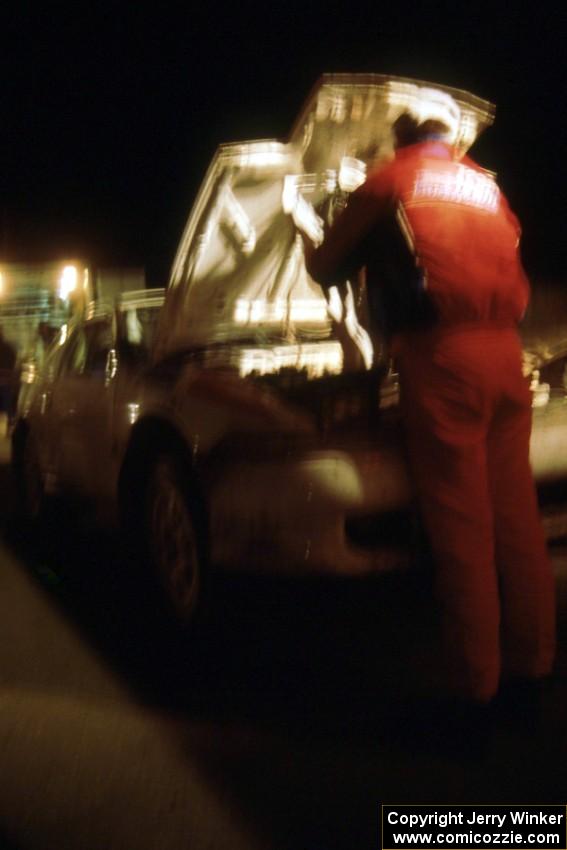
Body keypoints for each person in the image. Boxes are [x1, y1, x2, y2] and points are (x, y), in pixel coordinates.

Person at [303, 88, 556, 719]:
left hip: (443, 362)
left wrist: (318, 221)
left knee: (462, 530)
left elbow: (325, 265)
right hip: (505, 356)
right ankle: (534, 671)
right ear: (448, 139)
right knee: (518, 525)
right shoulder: (484, 185)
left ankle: (475, 692)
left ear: (400, 142)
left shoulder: (392, 181)